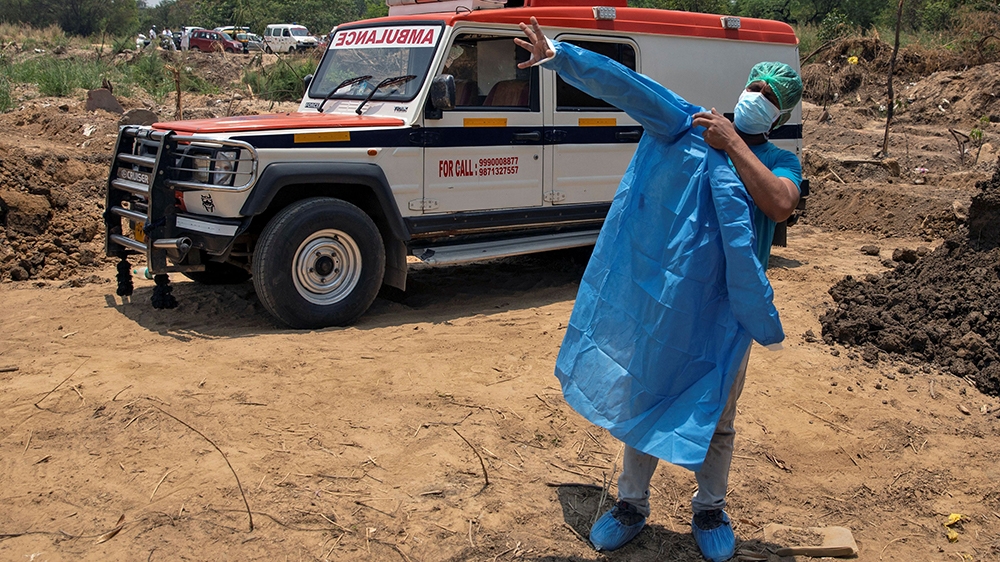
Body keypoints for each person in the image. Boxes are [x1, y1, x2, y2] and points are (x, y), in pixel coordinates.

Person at [516, 17, 802, 562]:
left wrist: (733, 143)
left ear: (781, 113)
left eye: (770, 96)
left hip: (727, 313)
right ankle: (631, 505)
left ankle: (710, 510)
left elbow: (780, 203)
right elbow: (632, 88)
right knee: (645, 391)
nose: (758, 98)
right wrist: (560, 55)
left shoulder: (779, 161)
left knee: (718, 415)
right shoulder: (691, 125)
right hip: (670, 301)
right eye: (755, 87)